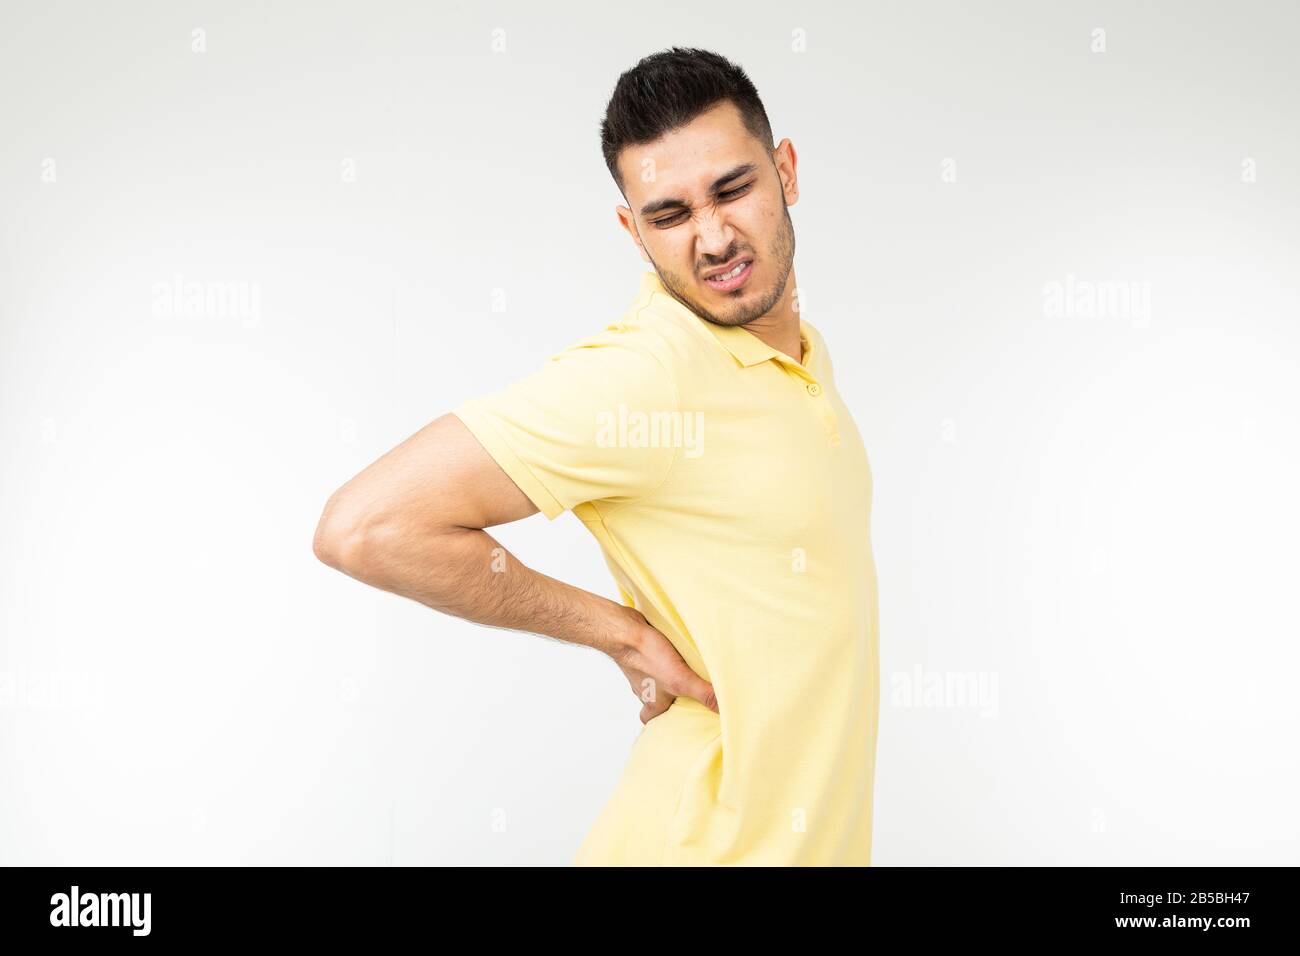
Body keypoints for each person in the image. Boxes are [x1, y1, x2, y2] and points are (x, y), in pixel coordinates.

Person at [313, 46, 880, 866]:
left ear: (785, 170)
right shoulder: (648, 372)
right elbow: (363, 528)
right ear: (631, 229)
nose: (714, 237)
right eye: (670, 214)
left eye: (734, 189)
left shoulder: (805, 360)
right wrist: (616, 633)